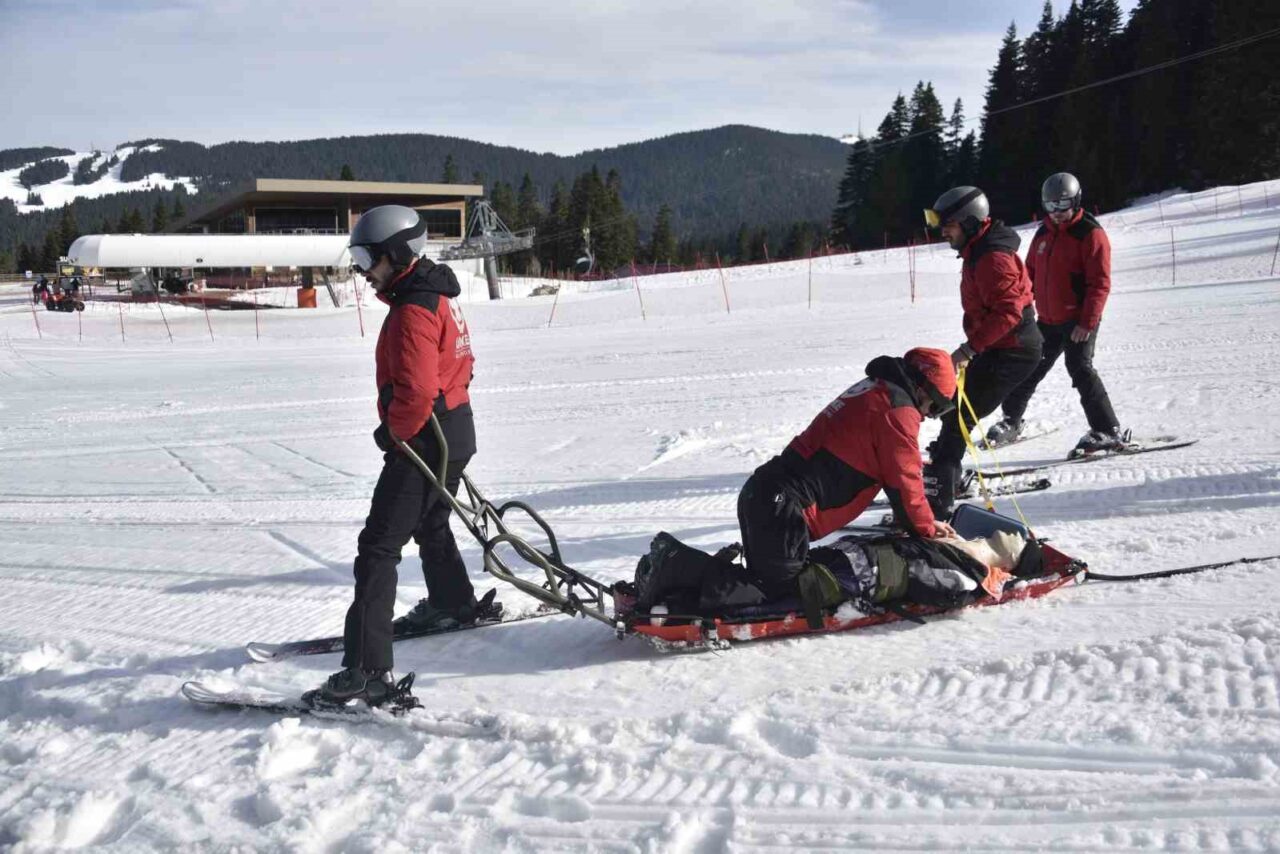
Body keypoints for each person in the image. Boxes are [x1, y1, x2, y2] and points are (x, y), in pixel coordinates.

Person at [305, 205, 482, 709]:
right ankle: (452, 601)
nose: (363, 269)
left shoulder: (412, 310)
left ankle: (366, 670)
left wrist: (394, 434)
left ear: (398, 254)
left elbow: (417, 390)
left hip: (427, 435)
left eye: (368, 257)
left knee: (378, 547)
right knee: (430, 523)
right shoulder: (435, 294)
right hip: (455, 430)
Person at [729, 348, 960, 618]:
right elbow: (905, 481)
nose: (928, 415)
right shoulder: (898, 411)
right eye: (934, 407)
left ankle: (698, 596)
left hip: (766, 495)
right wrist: (928, 530)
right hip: (784, 509)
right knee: (790, 597)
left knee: (763, 587)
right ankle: (696, 611)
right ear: (923, 388)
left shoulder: (875, 388)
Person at [921, 186, 1044, 518]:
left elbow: (1008, 313)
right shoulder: (979, 250)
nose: (942, 231)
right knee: (954, 409)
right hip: (998, 347)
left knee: (960, 415)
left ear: (970, 223)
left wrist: (968, 349)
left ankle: (940, 503)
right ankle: (949, 471)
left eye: (947, 224)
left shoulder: (992, 258)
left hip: (1014, 350)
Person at [985, 173, 1126, 454]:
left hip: (1079, 319)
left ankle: (1107, 429)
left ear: (1075, 201)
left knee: (1080, 369)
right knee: (1029, 367)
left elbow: (1100, 283)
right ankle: (1011, 421)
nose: (1057, 213)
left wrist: (1087, 321)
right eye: (1050, 206)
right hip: (1048, 319)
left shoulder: (1090, 234)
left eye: (1062, 206)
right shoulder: (1043, 233)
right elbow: (1029, 276)